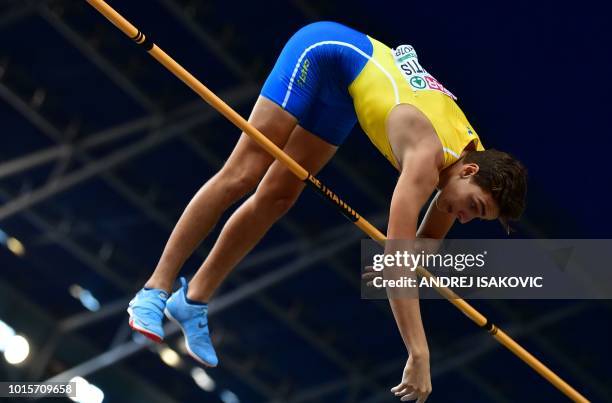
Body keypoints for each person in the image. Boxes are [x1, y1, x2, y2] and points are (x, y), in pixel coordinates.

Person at [127, 21, 527, 402]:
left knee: (280, 196)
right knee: (244, 173)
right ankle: (155, 289)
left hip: (345, 94)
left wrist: (404, 259)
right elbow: (400, 258)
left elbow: (425, 244)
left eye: (477, 218)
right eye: (473, 207)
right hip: (324, 52)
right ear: (470, 172)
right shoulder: (426, 160)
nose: (465, 217)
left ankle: (192, 300)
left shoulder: (467, 164)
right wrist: (419, 353)